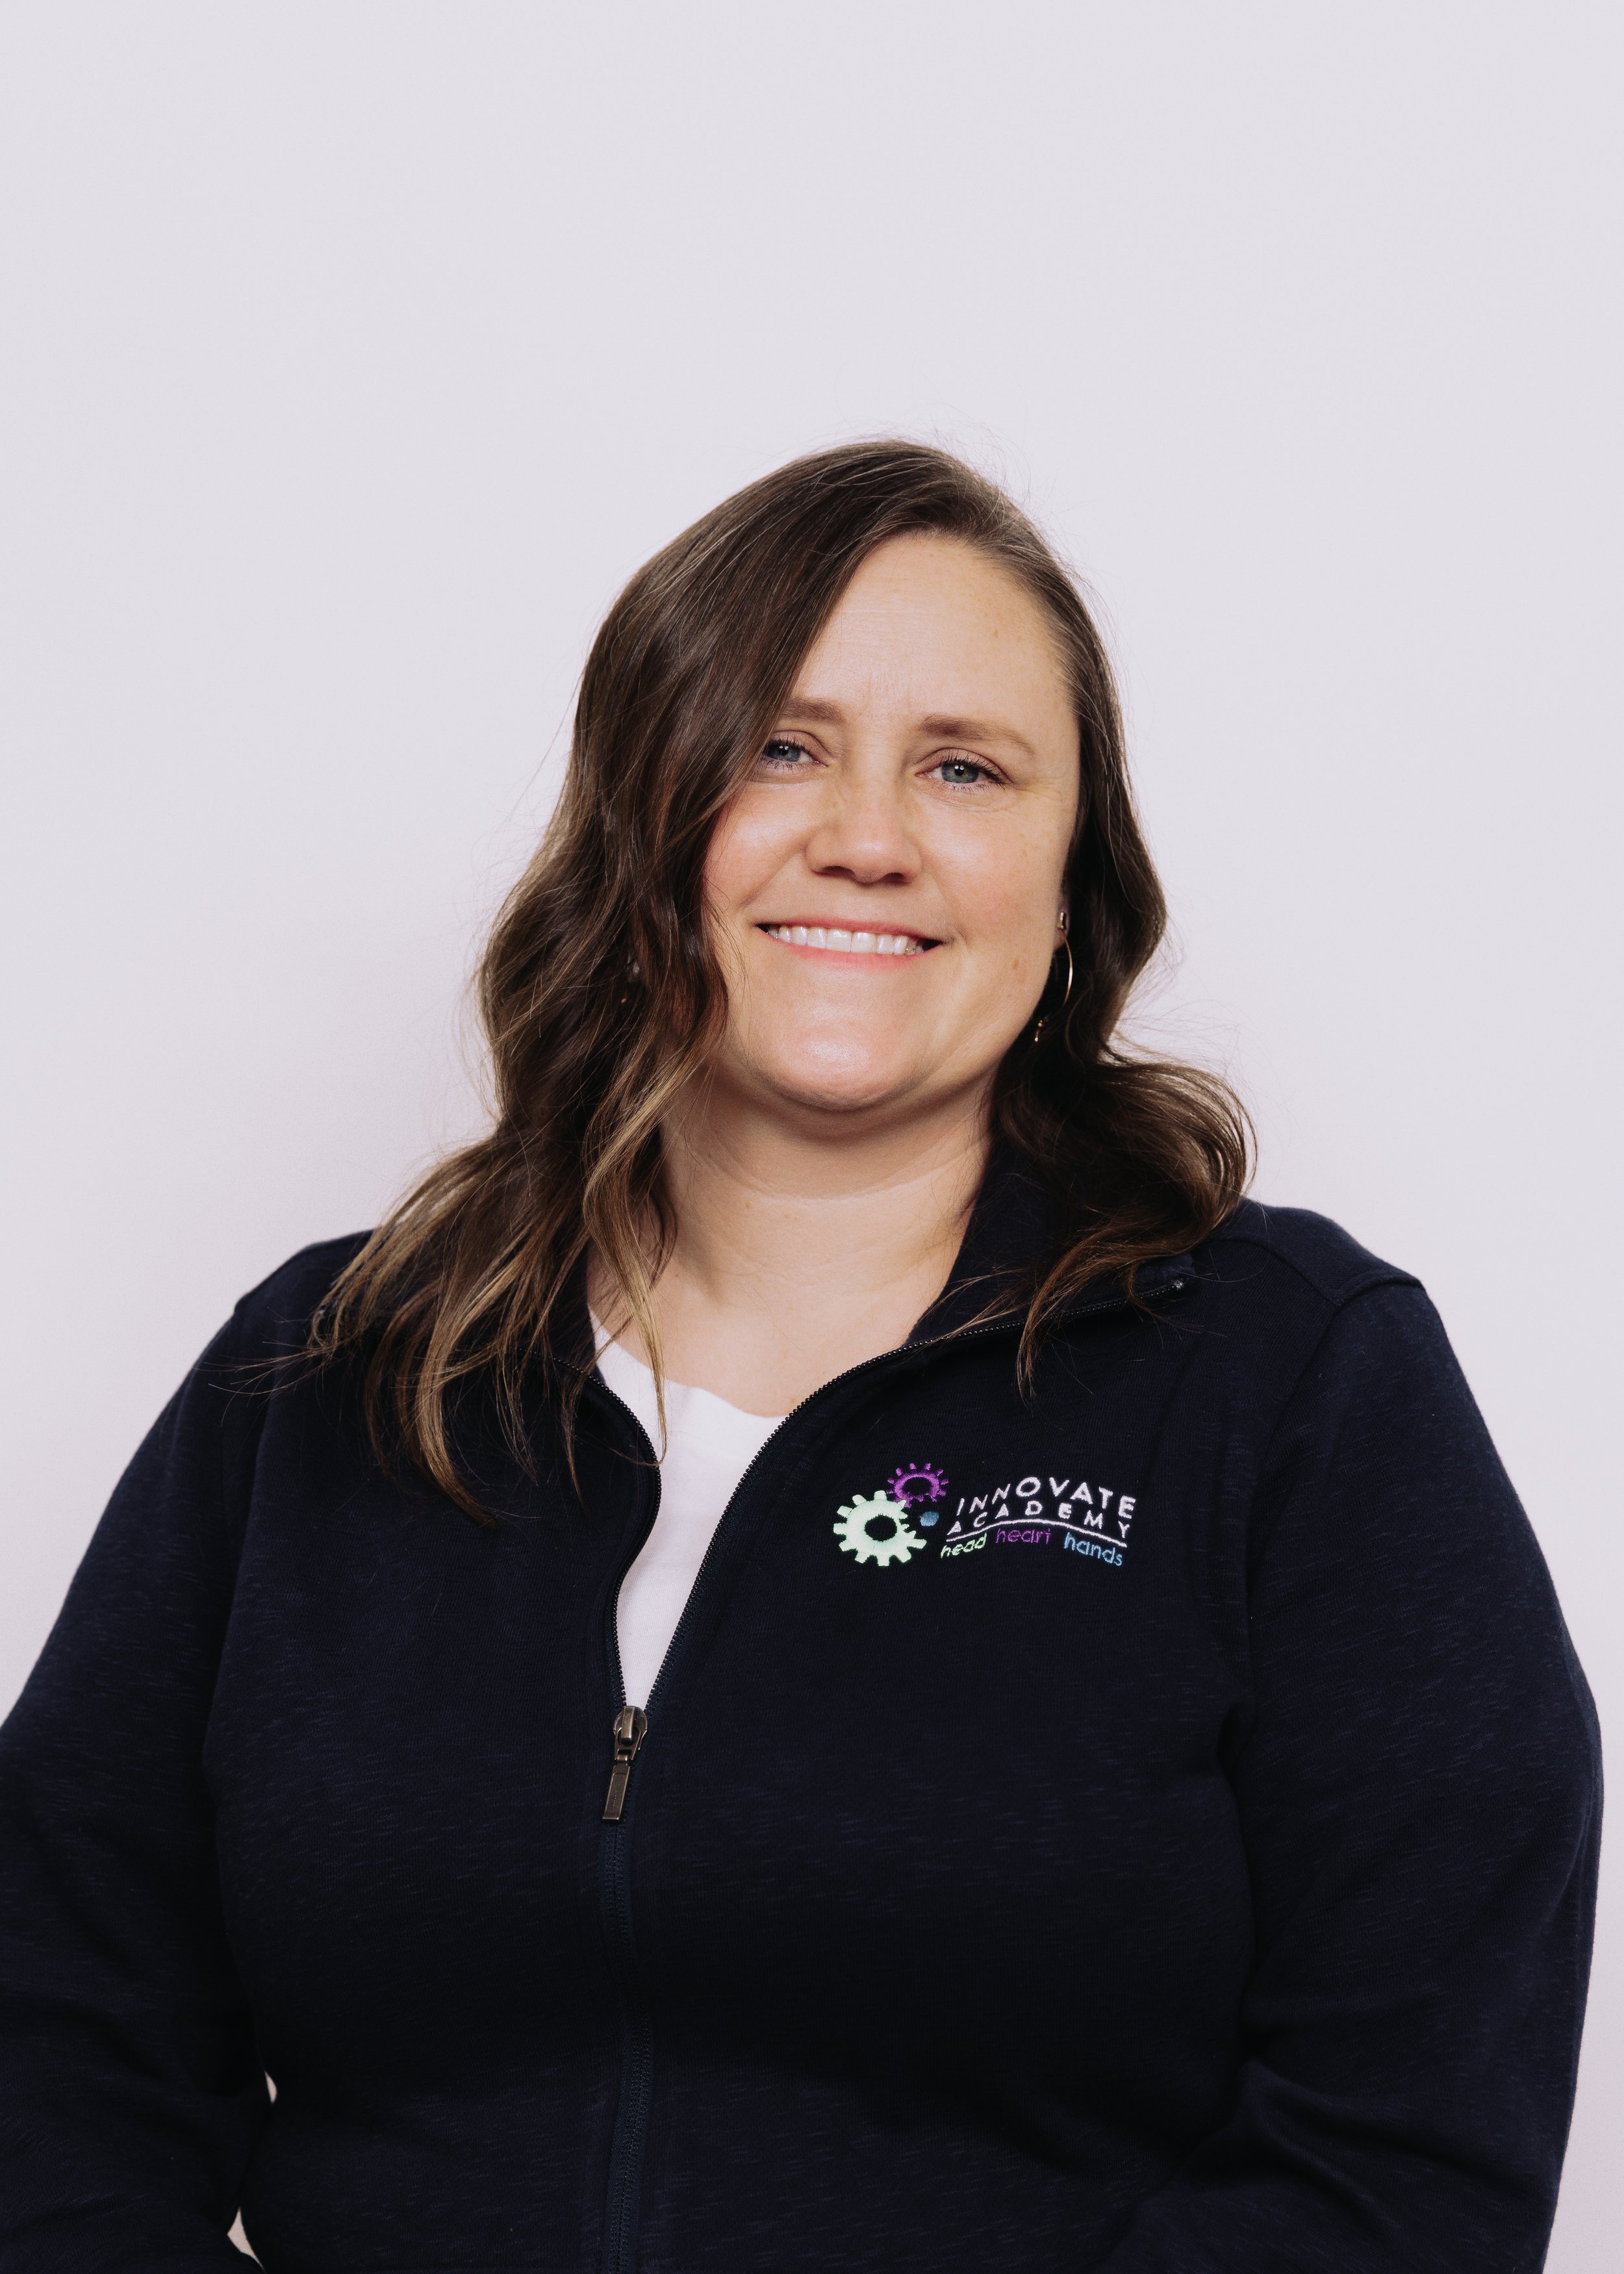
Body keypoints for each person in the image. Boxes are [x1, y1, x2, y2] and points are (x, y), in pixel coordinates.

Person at [0, 442, 1599, 2274]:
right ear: (640, 820)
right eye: (778, 743)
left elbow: (1406, 2143)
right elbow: (53, 2027)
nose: (867, 832)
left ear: (1070, 880)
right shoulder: (330, 1372)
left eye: (964, 766)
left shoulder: (1294, 1387)